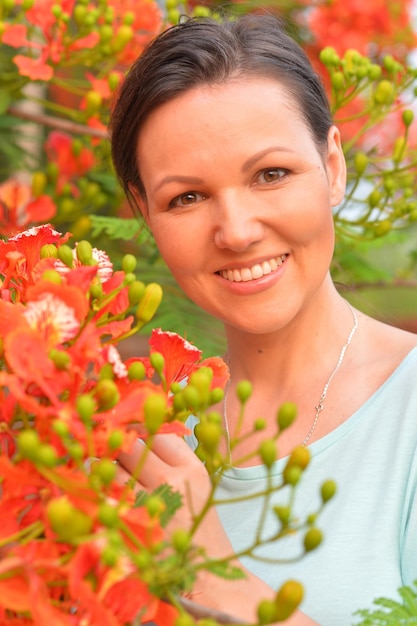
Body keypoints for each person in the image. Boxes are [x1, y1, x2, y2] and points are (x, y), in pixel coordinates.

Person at [109, 14, 417, 626]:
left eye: (271, 175)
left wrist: (208, 572)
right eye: (186, 197)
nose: (237, 231)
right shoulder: (137, 433)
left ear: (333, 168)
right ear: (144, 212)